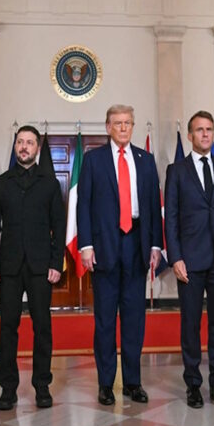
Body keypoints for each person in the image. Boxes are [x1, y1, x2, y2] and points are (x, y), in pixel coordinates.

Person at [77, 104, 163, 406]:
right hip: (105, 247)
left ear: (133, 126)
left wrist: (156, 246)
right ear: (108, 127)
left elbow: (153, 205)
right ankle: (105, 383)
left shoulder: (146, 160)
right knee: (104, 320)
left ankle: (132, 382)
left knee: (134, 319)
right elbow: (83, 205)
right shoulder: (93, 160)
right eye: (118, 123)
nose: (123, 128)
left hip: (137, 244)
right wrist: (85, 245)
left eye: (128, 123)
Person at [0, 125, 65, 410]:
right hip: (8, 266)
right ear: (15, 146)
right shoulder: (1, 183)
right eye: (20, 142)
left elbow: (59, 226)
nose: (24, 147)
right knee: (8, 327)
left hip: (41, 266)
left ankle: (42, 386)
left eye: (30, 142)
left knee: (42, 327)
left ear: (37, 148)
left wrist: (56, 263)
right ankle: (8, 389)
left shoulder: (50, 183)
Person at [164, 111, 214, 408]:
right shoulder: (177, 170)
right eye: (199, 130)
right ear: (190, 135)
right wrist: (176, 257)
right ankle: (193, 384)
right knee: (191, 325)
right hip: (190, 261)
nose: (205, 134)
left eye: (209, 129)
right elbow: (171, 217)